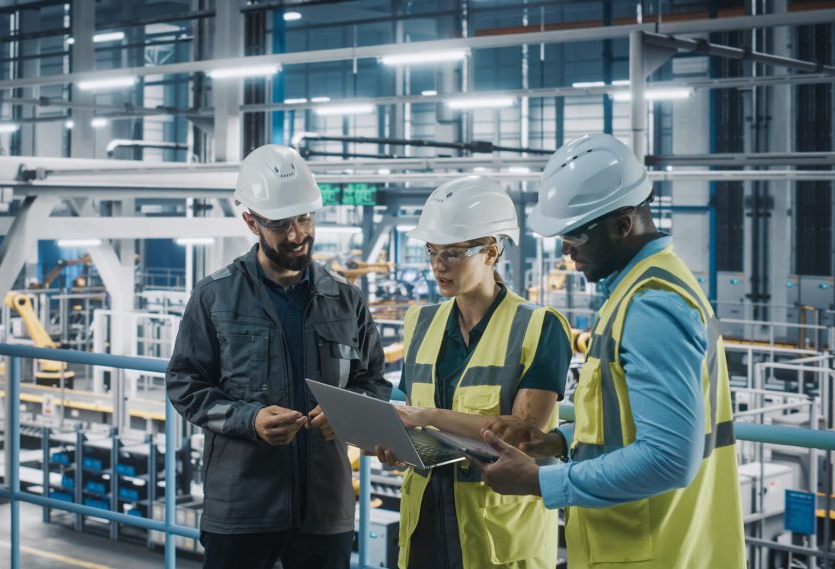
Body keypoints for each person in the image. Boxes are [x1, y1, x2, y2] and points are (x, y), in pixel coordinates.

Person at [470, 133, 746, 569]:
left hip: (655, 552)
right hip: (644, 547)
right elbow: (624, 419)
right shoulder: (638, 290)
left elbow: (670, 459)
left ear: (623, 224)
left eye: (576, 236)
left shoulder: (650, 305)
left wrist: (542, 482)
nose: (565, 251)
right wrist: (555, 441)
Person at [166, 144, 391, 569]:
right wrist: (248, 420)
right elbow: (185, 384)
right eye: (280, 224)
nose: (297, 234)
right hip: (243, 506)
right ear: (251, 221)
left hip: (325, 508)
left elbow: (373, 381)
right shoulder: (214, 297)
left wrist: (348, 413)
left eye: (305, 218)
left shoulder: (345, 300)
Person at [374, 177, 572, 569]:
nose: (437, 265)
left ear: (491, 252)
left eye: (453, 253)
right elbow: (410, 414)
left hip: (496, 534)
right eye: (432, 251)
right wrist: (390, 440)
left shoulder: (539, 327)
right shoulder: (420, 322)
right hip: (426, 526)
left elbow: (523, 437)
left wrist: (427, 417)